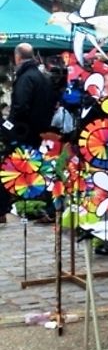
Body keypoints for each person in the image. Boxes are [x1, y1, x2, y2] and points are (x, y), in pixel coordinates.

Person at [0, 44, 56, 222]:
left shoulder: (26, 78)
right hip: (39, 131)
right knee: (35, 168)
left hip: (23, 133)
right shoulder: (42, 77)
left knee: (9, 167)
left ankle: (1, 210)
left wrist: (10, 126)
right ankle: (51, 207)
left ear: (17, 57)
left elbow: (21, 107)